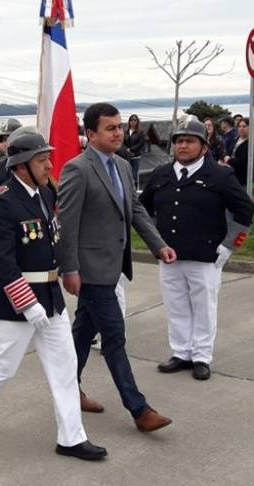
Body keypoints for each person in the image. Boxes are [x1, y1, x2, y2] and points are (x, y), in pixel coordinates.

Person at [0, 130, 107, 461]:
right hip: (15, 301)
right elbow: (3, 261)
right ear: (21, 166)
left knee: (65, 366)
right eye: (41, 160)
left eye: (48, 158)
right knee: (4, 366)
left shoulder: (46, 193)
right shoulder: (2, 202)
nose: (49, 165)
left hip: (50, 296)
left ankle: (71, 438)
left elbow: (54, 241)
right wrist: (27, 303)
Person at [56, 102, 177, 433]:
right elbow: (66, 223)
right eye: (110, 128)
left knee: (82, 333)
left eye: (119, 127)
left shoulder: (122, 165)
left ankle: (68, 389)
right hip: (91, 269)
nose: (118, 133)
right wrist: (69, 268)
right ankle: (139, 409)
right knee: (114, 337)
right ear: (90, 134)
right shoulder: (77, 169)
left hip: (114, 264)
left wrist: (159, 245)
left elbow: (135, 209)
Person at [141, 118, 254, 380]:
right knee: (176, 305)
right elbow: (143, 209)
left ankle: (202, 356)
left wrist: (230, 245)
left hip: (205, 256)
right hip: (169, 255)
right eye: (179, 141)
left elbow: (245, 210)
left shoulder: (219, 175)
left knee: (203, 307)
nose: (183, 146)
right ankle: (181, 352)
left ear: (203, 147)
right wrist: (155, 242)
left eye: (190, 141)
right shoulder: (161, 175)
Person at [227, 117, 254, 188]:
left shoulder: (252, 143)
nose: (241, 128)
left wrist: (229, 160)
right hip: (232, 175)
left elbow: (243, 160)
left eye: (244, 126)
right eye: (239, 126)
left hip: (244, 178)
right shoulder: (236, 139)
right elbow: (229, 152)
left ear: (250, 128)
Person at [123, 114, 146, 187]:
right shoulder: (125, 132)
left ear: (137, 121)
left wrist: (131, 149)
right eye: (131, 120)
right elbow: (122, 142)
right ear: (129, 121)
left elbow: (141, 143)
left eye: (134, 120)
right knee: (126, 175)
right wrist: (126, 150)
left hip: (136, 156)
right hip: (127, 156)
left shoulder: (140, 132)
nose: (133, 121)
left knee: (134, 175)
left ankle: (135, 192)